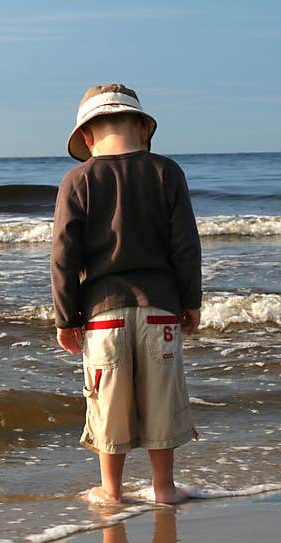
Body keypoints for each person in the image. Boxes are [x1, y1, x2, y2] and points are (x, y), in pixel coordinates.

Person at [51, 83, 202, 505]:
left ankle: (111, 490)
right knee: (162, 402)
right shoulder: (166, 172)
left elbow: (63, 255)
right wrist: (191, 301)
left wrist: (66, 317)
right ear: (142, 127)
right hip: (160, 310)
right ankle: (164, 488)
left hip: (103, 316)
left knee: (108, 407)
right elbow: (186, 245)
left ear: (86, 136)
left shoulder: (77, 179)